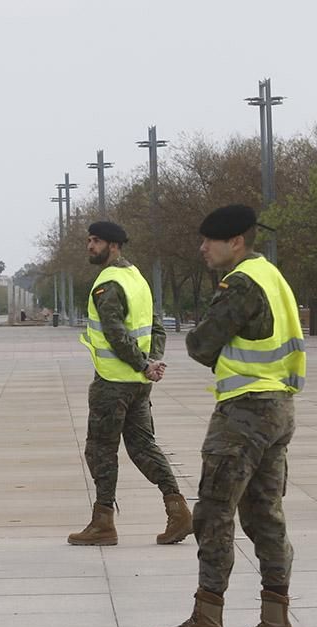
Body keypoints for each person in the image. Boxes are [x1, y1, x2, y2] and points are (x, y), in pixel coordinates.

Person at [151, 204, 305, 627]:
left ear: (234, 241)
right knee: (265, 515)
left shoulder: (240, 282)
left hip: (244, 413)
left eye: (208, 241)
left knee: (214, 513)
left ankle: (206, 619)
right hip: (278, 408)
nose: (202, 248)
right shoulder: (272, 276)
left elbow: (201, 345)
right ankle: (276, 623)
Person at [68, 221, 192, 546]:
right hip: (139, 383)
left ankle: (102, 522)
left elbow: (116, 334)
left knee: (100, 450)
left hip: (113, 383)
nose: (89, 246)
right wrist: (152, 364)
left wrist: (143, 364)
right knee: (143, 446)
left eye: (95, 241)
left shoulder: (107, 283)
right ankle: (178, 511)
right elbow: (156, 328)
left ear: (113, 245)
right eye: (89, 240)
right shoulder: (137, 278)